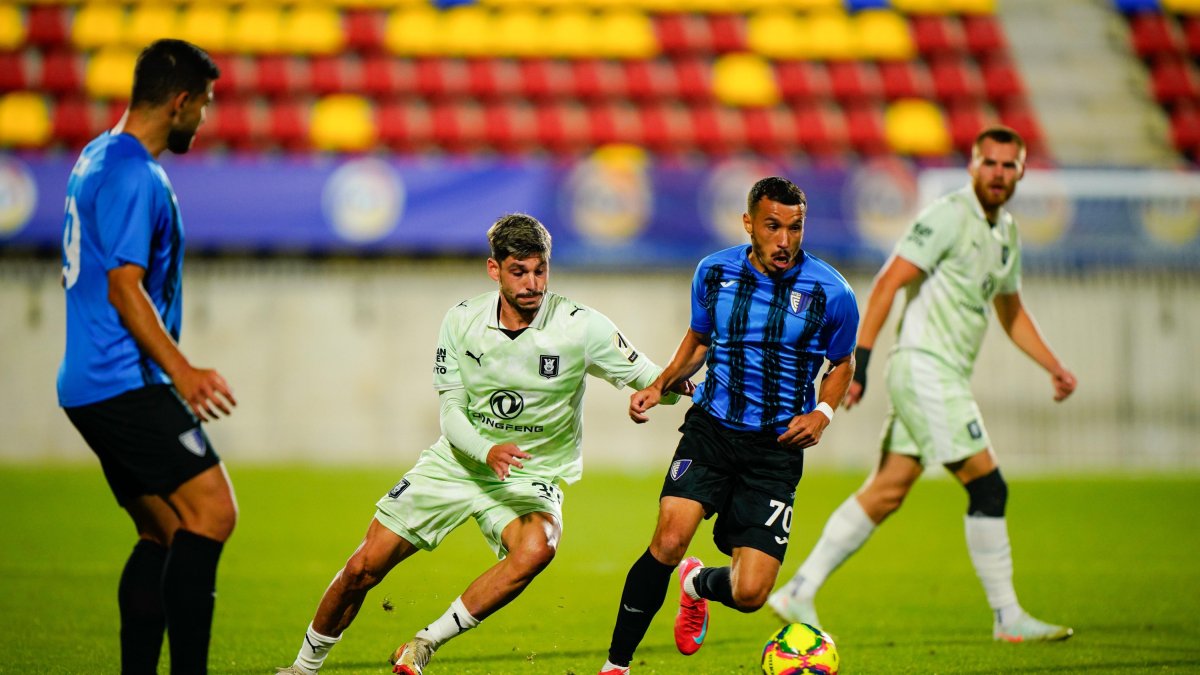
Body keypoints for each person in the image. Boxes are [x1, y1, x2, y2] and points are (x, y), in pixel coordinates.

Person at [277, 213, 688, 675]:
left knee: (538, 546)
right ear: (494, 270)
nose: (533, 283)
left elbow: (660, 380)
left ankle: (426, 642)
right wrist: (486, 451)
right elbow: (451, 411)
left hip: (529, 474)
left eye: (541, 270)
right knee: (362, 569)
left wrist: (660, 391)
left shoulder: (583, 327)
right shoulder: (461, 320)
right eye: (519, 271)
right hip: (457, 462)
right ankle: (302, 668)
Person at [768, 126, 1078, 643]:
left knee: (887, 491)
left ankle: (798, 589)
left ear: (1022, 171)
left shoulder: (1006, 235)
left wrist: (1054, 365)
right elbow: (890, 279)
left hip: (944, 374)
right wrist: (860, 362)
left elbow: (1011, 311)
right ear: (972, 165)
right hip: (924, 368)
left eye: (1009, 165)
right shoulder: (948, 216)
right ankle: (1007, 618)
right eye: (990, 163)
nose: (999, 174)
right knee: (988, 484)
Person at [597, 176, 860, 675]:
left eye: (796, 228)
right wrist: (662, 384)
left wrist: (822, 413)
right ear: (749, 225)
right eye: (773, 226)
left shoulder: (833, 292)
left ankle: (697, 585)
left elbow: (841, 363)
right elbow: (698, 340)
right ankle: (617, 665)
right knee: (670, 540)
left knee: (750, 593)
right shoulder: (714, 272)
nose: (785, 241)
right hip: (713, 429)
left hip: (776, 448)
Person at [56, 39, 236, 674]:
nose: (206, 119)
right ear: (180, 102)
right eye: (205, 105)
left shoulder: (97, 156)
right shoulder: (136, 173)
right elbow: (123, 286)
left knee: (163, 534)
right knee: (213, 513)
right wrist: (182, 372)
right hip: (122, 380)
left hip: (86, 382)